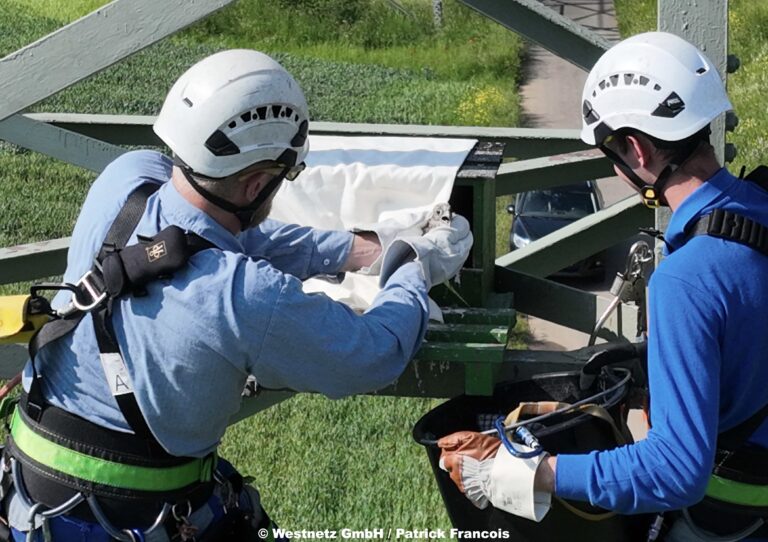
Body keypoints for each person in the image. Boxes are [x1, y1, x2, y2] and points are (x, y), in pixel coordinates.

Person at [3, 49, 473, 541]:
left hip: (30, 494)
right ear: (255, 185)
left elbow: (204, 237)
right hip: (131, 518)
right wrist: (411, 266)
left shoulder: (129, 177)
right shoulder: (245, 295)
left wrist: (359, 249)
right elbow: (377, 352)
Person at [438, 32, 768, 541]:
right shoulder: (759, 205)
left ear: (635, 149)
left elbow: (675, 473)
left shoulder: (687, 281)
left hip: (735, 514)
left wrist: (529, 473)